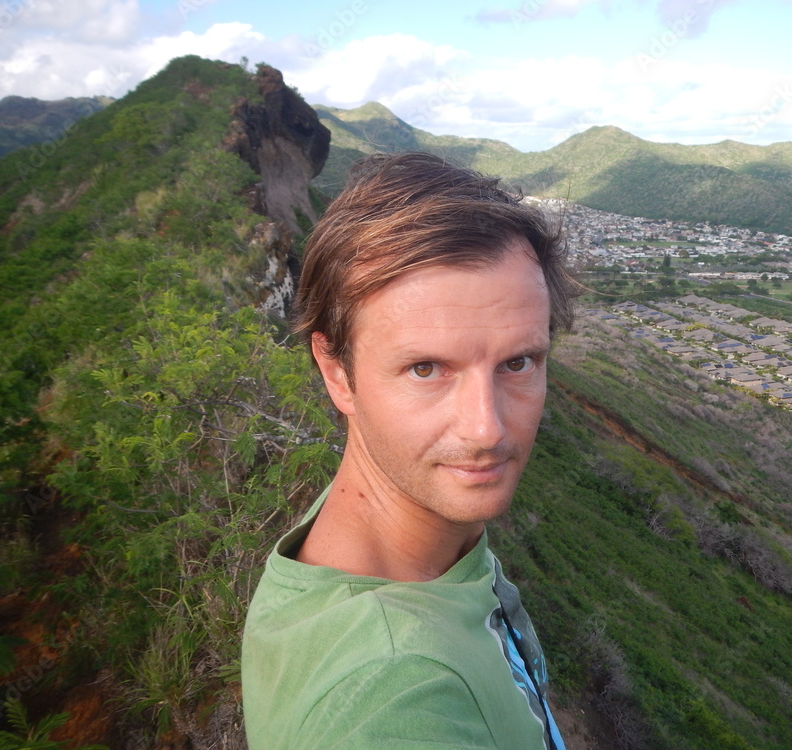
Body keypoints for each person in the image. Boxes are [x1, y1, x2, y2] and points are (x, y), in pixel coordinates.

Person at [241, 151, 577, 749]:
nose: (487, 430)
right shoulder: (393, 695)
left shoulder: (397, 532)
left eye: (518, 362)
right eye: (426, 368)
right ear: (336, 372)